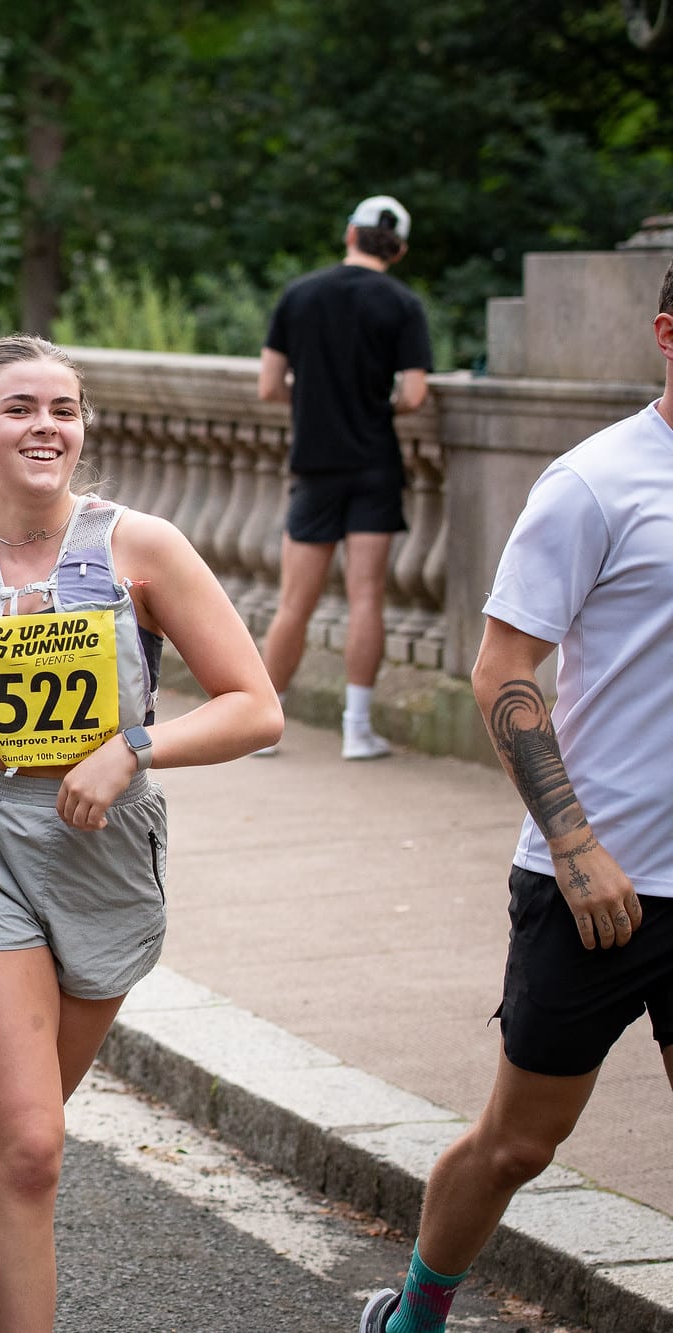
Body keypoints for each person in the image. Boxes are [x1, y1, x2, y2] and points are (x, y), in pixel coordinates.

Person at [0, 335, 280, 1333]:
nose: (45, 426)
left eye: (63, 410)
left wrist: (132, 745)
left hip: (103, 850)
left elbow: (254, 707)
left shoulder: (142, 550)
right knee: (30, 1146)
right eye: (20, 408)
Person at [357, 265, 673, 1333]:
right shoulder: (594, 484)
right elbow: (502, 670)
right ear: (666, 335)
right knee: (517, 1143)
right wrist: (574, 843)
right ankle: (413, 1312)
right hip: (600, 879)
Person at [256, 194, 433, 761]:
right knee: (366, 598)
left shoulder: (300, 295)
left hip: (315, 464)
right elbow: (413, 393)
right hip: (375, 465)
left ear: (350, 233)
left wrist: (311, 401)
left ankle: (264, 723)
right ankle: (357, 728)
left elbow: (268, 386)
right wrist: (377, 408)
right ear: (399, 248)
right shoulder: (404, 305)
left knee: (294, 604)